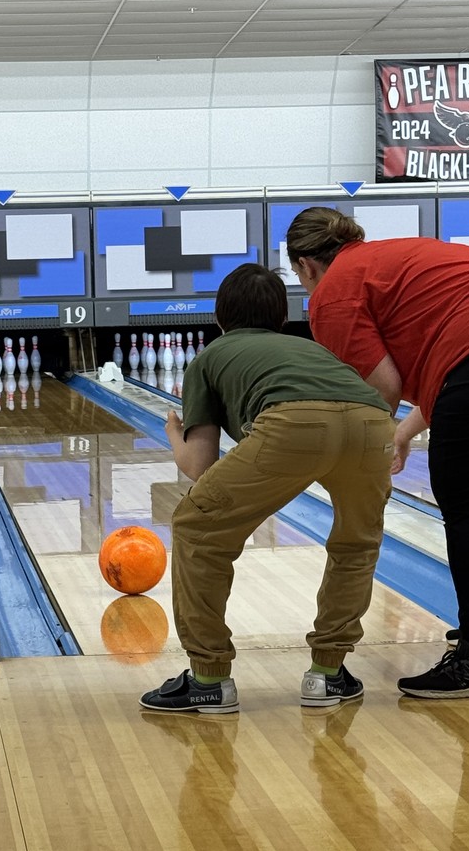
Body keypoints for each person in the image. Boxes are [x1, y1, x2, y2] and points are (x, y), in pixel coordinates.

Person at [139, 263, 395, 714]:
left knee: (198, 529)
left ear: (220, 318)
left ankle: (208, 679)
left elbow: (199, 465)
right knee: (356, 545)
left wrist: (173, 434)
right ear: (282, 319)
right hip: (373, 424)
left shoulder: (211, 355)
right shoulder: (309, 349)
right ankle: (329, 675)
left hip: (292, 425)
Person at [285, 206, 469, 699]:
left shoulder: (333, 292)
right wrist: (404, 435)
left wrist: (355, 459)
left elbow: (381, 391)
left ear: (304, 266)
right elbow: (446, 367)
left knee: (468, 498)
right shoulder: (386, 259)